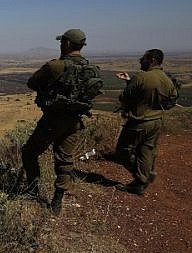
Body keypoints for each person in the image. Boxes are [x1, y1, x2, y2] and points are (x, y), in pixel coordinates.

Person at [21, 29, 102, 215]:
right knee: (65, 159)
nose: (60, 45)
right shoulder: (90, 69)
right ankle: (57, 201)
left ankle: (32, 192)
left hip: (53, 119)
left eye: (61, 42)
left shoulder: (56, 66)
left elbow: (32, 83)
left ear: (66, 44)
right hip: (74, 120)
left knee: (29, 152)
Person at [114, 49, 178, 195]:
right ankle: (140, 182)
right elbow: (172, 100)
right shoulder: (166, 78)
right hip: (156, 121)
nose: (140, 61)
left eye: (143, 59)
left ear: (152, 60)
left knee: (122, 151)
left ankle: (143, 176)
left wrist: (130, 85)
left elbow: (124, 98)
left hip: (139, 121)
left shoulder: (142, 77)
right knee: (146, 151)